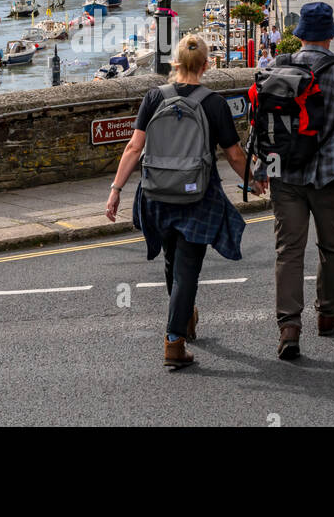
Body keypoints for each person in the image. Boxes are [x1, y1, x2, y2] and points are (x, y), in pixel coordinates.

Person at [105, 34, 264, 370]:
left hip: (157, 193)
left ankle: (182, 316)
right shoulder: (214, 103)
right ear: (207, 65)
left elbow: (134, 148)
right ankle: (174, 340)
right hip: (198, 194)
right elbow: (234, 154)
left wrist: (116, 189)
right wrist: (255, 179)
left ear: (174, 64)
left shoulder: (153, 97)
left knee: (171, 261)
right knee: (187, 268)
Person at [256, 2, 334, 361]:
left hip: (285, 173)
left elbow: (263, 124)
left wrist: (262, 167)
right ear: (330, 38)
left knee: (288, 252)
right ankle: (327, 313)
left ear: (301, 35)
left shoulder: (275, 67)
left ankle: (289, 327)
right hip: (327, 174)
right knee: (331, 247)